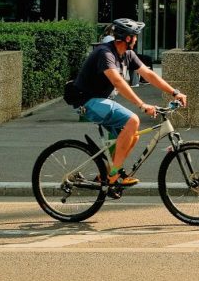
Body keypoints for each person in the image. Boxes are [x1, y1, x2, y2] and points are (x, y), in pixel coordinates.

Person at [72, 18, 188, 188]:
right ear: (127, 38)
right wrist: (142, 105)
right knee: (133, 120)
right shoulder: (105, 53)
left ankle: (106, 173)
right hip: (87, 101)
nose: (136, 39)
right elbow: (118, 82)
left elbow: (149, 75)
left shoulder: (128, 54)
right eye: (135, 36)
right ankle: (113, 175)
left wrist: (174, 92)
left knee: (132, 135)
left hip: (104, 101)